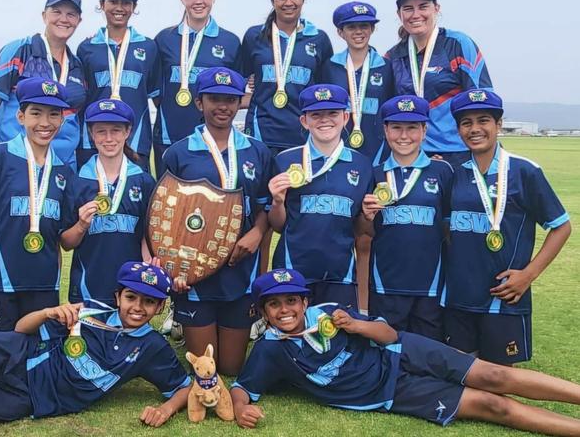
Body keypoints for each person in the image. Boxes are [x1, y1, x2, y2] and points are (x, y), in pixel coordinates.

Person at [231, 269, 580, 435]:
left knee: (495, 375)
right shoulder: (270, 350)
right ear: (263, 312)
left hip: (402, 349)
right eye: (273, 305)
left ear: (304, 300)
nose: (285, 310)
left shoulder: (328, 312)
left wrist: (355, 326)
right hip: (391, 392)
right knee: (493, 405)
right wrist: (241, 409)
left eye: (291, 300)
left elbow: (387, 333)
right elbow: (241, 389)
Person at [0, 261, 191, 428]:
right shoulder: (90, 311)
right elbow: (21, 329)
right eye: (131, 297)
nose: (137, 307)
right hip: (10, 352)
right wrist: (49, 313)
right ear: (118, 297)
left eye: (148, 302)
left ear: (160, 307)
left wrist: (165, 410)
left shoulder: (152, 347)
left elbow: (184, 388)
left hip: (32, 396)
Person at [443, 89, 571, 365]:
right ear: (458, 129)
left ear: (498, 125)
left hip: (504, 295)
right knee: (463, 377)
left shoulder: (525, 171)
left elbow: (561, 226)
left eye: (483, 120)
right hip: (458, 296)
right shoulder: (451, 172)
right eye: (466, 123)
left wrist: (528, 275)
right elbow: (445, 228)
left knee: (499, 379)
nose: (475, 129)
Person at [161, 67, 273, 375]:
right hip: (196, 274)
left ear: (239, 104)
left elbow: (265, 205)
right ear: (199, 103)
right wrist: (175, 268)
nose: (222, 106)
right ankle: (186, 321)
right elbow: (165, 215)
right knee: (205, 368)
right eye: (214, 99)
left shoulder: (257, 151)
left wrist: (257, 233)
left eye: (230, 99)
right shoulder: (179, 153)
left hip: (240, 267)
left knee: (231, 368)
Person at [0, 77, 74, 332]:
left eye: (53, 114)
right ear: (20, 116)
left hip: (44, 287)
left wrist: (56, 286)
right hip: (0, 284)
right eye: (36, 113)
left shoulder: (62, 170)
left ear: (62, 120)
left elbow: (55, 237)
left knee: (36, 362)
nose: (44, 123)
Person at [268, 84, 372, 309]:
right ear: (304, 121)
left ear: (345, 117)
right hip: (292, 268)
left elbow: (360, 227)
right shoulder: (285, 161)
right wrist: (277, 201)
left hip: (340, 273)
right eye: (316, 114)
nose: (325, 120)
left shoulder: (362, 165)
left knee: (338, 339)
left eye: (333, 113)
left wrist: (368, 215)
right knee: (292, 338)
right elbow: (277, 225)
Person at [321, 1, 395, 312]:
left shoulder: (385, 67)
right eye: (352, 27)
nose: (359, 31)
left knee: (367, 234)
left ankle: (364, 306)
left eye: (365, 26)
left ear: (373, 29)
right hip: (340, 159)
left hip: (375, 159)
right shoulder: (330, 66)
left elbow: (390, 114)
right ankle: (330, 293)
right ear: (340, 31)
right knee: (337, 227)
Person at [362, 95, 452, 340]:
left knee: (428, 352)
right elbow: (365, 232)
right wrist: (367, 217)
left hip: (430, 284)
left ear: (424, 130)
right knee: (388, 349)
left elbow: (448, 229)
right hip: (385, 283)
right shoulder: (375, 172)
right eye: (396, 127)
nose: (404, 136)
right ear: (385, 130)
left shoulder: (442, 171)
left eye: (412, 127)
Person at [386, 0, 492, 167]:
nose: (415, 14)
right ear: (399, 14)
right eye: (408, 8)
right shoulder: (392, 56)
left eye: (423, 7)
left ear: (436, 8)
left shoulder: (458, 44)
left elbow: (482, 99)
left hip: (458, 152)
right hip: (412, 154)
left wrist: (484, 150)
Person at [61, 99, 156, 306]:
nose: (109, 138)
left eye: (116, 130)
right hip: (88, 287)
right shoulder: (77, 181)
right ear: (91, 134)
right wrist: (81, 225)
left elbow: (148, 235)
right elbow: (66, 243)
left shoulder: (144, 181)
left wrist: (149, 265)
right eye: (101, 131)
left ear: (127, 132)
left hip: (132, 289)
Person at [0, 0, 86, 170]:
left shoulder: (77, 65)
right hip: (17, 160)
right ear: (44, 15)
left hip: (63, 166)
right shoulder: (18, 51)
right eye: (57, 12)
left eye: (71, 14)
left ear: (79, 20)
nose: (64, 19)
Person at [153, 0, 242, 177]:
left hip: (213, 138)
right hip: (169, 136)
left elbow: (238, 93)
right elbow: (157, 92)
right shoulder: (164, 39)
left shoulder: (230, 41)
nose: (198, 0)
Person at [241, 0, 333, 155]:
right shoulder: (254, 37)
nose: (289, 2)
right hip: (261, 133)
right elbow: (242, 80)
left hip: (303, 134)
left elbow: (325, 90)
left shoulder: (319, 39)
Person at [77, 0, 160, 171]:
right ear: (102, 4)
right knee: (92, 197)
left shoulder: (149, 47)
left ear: (134, 7)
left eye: (126, 3)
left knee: (134, 199)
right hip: (93, 141)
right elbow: (82, 97)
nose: (119, 8)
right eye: (113, 1)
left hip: (135, 141)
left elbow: (157, 97)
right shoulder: (86, 47)